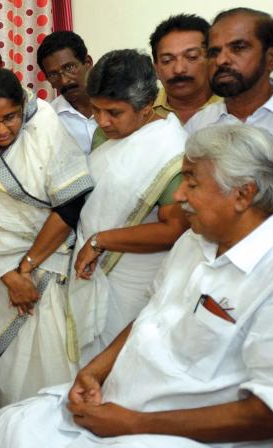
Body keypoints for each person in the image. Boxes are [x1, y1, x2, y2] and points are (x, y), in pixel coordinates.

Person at [0, 124, 273, 448]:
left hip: (176, 433)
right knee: (7, 424)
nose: (180, 196)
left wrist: (131, 424)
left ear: (243, 195)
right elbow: (152, 313)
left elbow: (270, 415)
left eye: (192, 183)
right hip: (121, 403)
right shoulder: (196, 239)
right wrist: (94, 371)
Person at [0, 68, 94, 410]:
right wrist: (10, 276)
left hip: (47, 265)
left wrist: (26, 268)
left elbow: (70, 203)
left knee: (51, 357)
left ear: (22, 108)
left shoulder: (45, 125)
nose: (1, 129)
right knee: (11, 371)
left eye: (10, 118)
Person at [69, 49, 190, 364]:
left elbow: (174, 229)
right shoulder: (101, 135)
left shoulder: (170, 149)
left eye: (114, 112)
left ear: (147, 107)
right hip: (89, 265)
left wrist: (101, 241)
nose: (102, 121)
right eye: (95, 110)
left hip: (138, 278)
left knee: (126, 362)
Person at [187, 7, 273, 236]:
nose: (222, 60)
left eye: (238, 48)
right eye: (214, 52)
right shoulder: (199, 125)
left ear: (271, 58)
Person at [37, 31, 106, 153]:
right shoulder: (48, 120)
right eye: (53, 75)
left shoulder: (118, 105)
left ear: (88, 63)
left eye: (69, 67)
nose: (64, 81)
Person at [149, 14, 222, 124]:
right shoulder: (141, 112)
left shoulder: (233, 107)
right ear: (156, 69)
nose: (179, 69)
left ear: (211, 60)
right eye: (167, 60)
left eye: (191, 57)